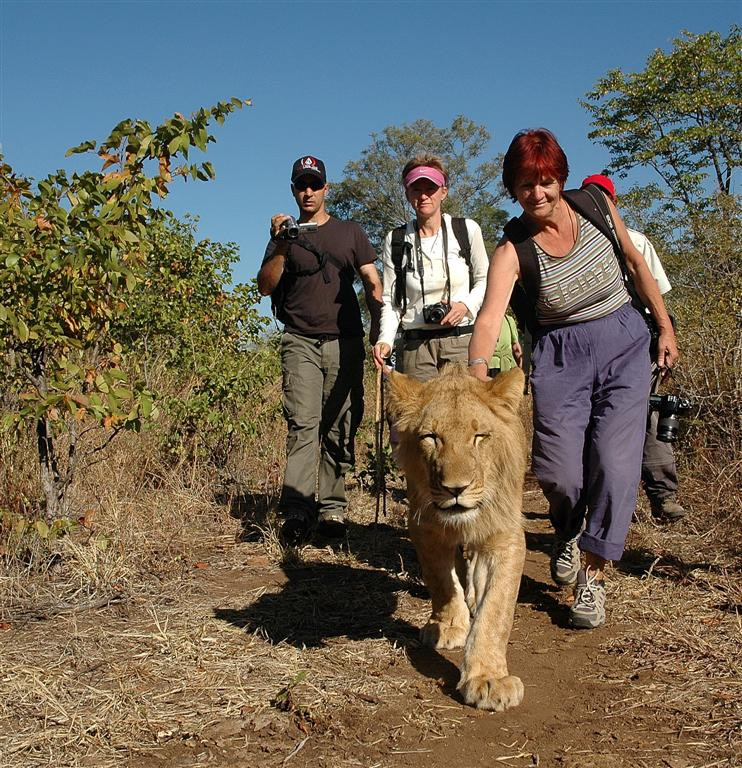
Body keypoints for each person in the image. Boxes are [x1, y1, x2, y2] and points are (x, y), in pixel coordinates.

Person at [468, 129, 678, 629]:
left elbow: (636, 264)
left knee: (615, 463)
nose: (537, 193)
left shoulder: (596, 206)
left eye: (545, 181)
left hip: (624, 343)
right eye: (525, 184)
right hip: (561, 356)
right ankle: (567, 530)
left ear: (560, 178)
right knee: (559, 473)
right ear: (513, 189)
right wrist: (478, 377)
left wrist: (664, 326)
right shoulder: (512, 250)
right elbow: (489, 318)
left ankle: (593, 574)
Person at [257, 155, 382, 544]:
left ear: (327, 188)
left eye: (314, 184)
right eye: (301, 185)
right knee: (303, 424)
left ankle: (332, 510)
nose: (308, 192)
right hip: (300, 341)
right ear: (293, 190)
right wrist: (281, 242)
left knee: (340, 425)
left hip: (345, 341)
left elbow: (372, 281)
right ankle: (297, 510)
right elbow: (265, 285)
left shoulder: (350, 232)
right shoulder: (284, 236)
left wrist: (380, 329)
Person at [581, 174, 685, 523]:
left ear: (615, 202)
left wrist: (666, 334)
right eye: (591, 196)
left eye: (604, 197)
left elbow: (657, 296)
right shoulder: (577, 244)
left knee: (648, 414)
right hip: (596, 345)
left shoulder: (637, 241)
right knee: (596, 421)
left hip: (641, 342)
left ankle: (662, 495)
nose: (599, 203)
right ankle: (596, 504)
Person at [371, 154, 490, 379]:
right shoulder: (396, 239)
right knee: (417, 404)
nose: (424, 196)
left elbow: (485, 280)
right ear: (407, 194)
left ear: (444, 191)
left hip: (461, 341)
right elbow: (391, 301)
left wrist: (465, 306)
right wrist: (385, 340)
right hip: (416, 347)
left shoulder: (466, 230)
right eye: (416, 189)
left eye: (431, 188)